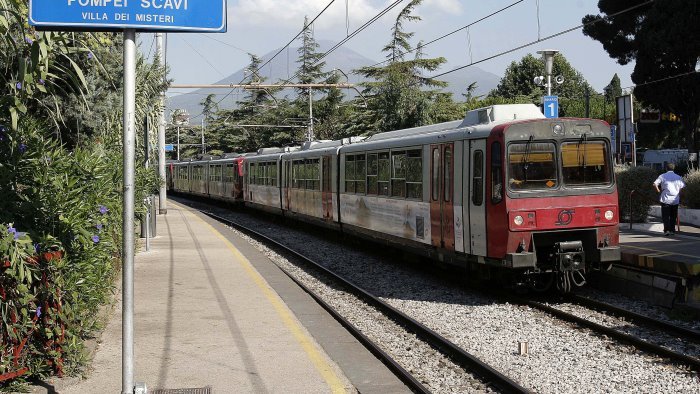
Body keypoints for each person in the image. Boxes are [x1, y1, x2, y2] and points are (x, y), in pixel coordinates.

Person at [653, 163, 686, 236]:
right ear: (673, 169)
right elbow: (682, 187)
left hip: (665, 199)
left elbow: (655, 184)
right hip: (675, 199)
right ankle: (672, 231)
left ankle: (666, 230)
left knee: (665, 216)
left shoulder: (662, 176)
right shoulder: (678, 177)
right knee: (673, 216)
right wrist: (679, 194)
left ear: (666, 168)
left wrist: (658, 191)